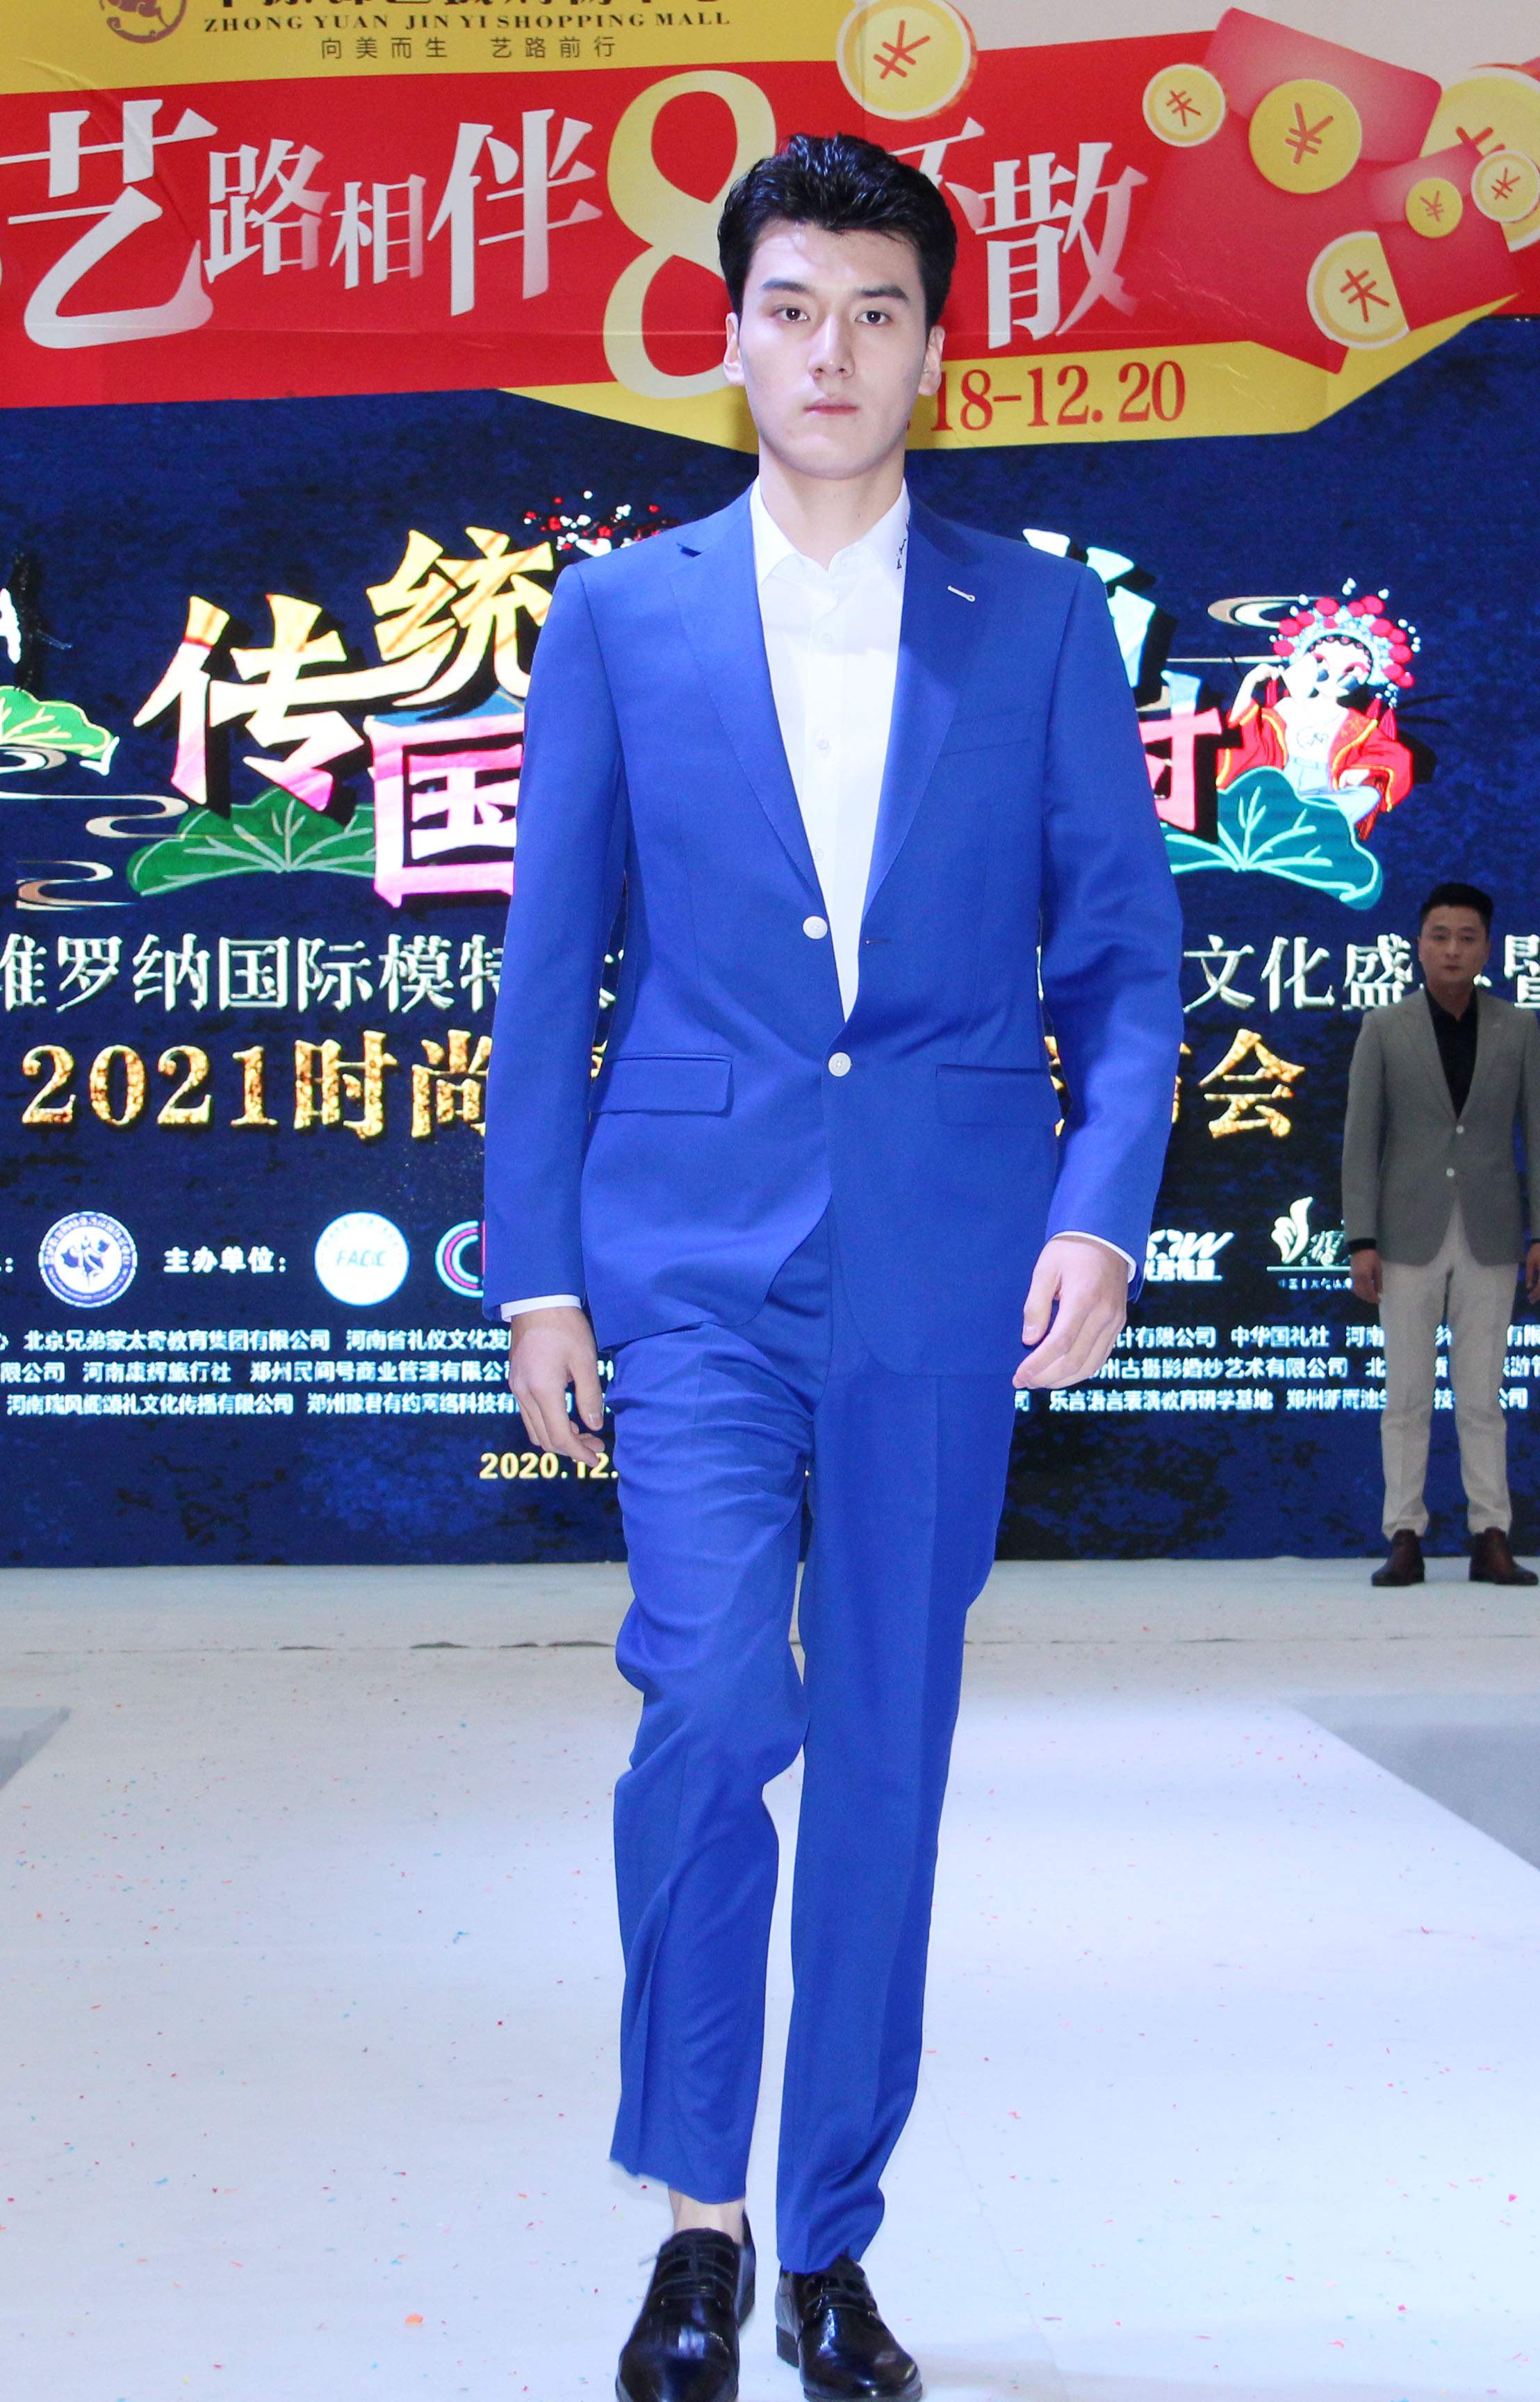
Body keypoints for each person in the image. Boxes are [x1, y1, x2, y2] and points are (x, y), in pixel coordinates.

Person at [482, 133, 1183, 2402]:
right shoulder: (622, 616)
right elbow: (554, 958)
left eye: (877, 312)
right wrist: (536, 1268)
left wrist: (1095, 1207)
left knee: (885, 1748)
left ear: (931, 349)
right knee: (709, 1698)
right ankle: (697, 2220)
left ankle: (831, 2244)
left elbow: (1127, 963)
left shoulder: (1037, 620)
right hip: (686, 1250)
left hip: (944, 1261)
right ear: (731, 333)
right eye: (791, 307)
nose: (831, 350)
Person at [1344, 881, 1540, 1588]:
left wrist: (1538, 1234)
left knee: (1483, 1395)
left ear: (1488, 948)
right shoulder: (1384, 1026)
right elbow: (1360, 1139)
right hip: (1404, 1234)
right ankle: (1404, 1535)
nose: (1452, 949)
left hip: (1492, 1232)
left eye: (1466, 937)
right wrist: (1360, 1239)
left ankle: (1491, 1535)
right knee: (1405, 1394)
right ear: (1418, 945)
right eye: (1439, 936)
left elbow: (1537, 1135)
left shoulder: (1518, 1027)